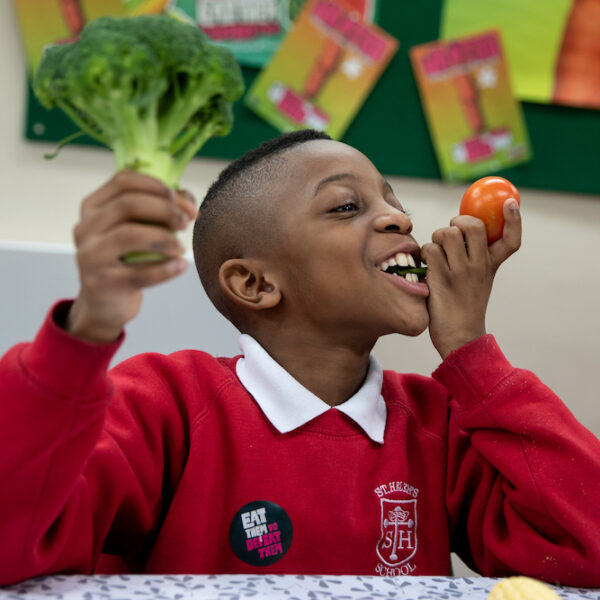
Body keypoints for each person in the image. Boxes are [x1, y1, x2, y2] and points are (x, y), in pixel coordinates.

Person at [0, 130, 598, 586]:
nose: (401, 218)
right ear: (255, 285)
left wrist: (472, 354)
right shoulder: (167, 402)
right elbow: (18, 539)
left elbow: (583, 551)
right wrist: (88, 328)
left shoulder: (438, 418)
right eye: (345, 207)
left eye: (391, 201)